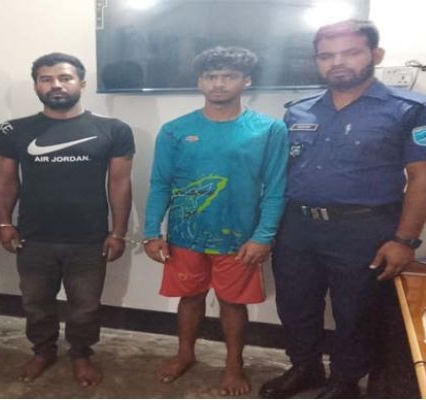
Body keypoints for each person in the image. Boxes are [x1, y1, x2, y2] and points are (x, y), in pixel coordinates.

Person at [259, 20, 426, 398]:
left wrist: (405, 240)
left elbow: (421, 178)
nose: (338, 62)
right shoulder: (298, 111)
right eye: (327, 55)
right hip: (298, 225)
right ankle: (305, 367)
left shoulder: (409, 109)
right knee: (295, 303)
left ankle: (345, 381)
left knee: (356, 310)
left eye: (351, 52)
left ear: (375, 55)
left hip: (364, 229)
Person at [142, 47, 288, 396]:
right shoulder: (175, 130)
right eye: (211, 76)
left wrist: (263, 236)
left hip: (240, 238)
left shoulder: (269, 129)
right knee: (189, 297)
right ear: (200, 81)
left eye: (229, 76)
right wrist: (151, 232)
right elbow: (160, 183)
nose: (219, 84)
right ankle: (185, 354)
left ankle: (234, 364)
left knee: (233, 302)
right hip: (184, 235)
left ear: (246, 81)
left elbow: (276, 188)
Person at [0, 53, 134, 387]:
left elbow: (120, 183)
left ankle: (81, 354)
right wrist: (4, 223)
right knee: (36, 303)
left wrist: (118, 232)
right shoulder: (13, 130)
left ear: (81, 83)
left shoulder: (113, 129)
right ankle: (43, 351)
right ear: (36, 86)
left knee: (85, 305)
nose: (56, 85)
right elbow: (6, 181)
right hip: (33, 237)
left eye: (65, 78)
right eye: (46, 79)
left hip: (88, 238)